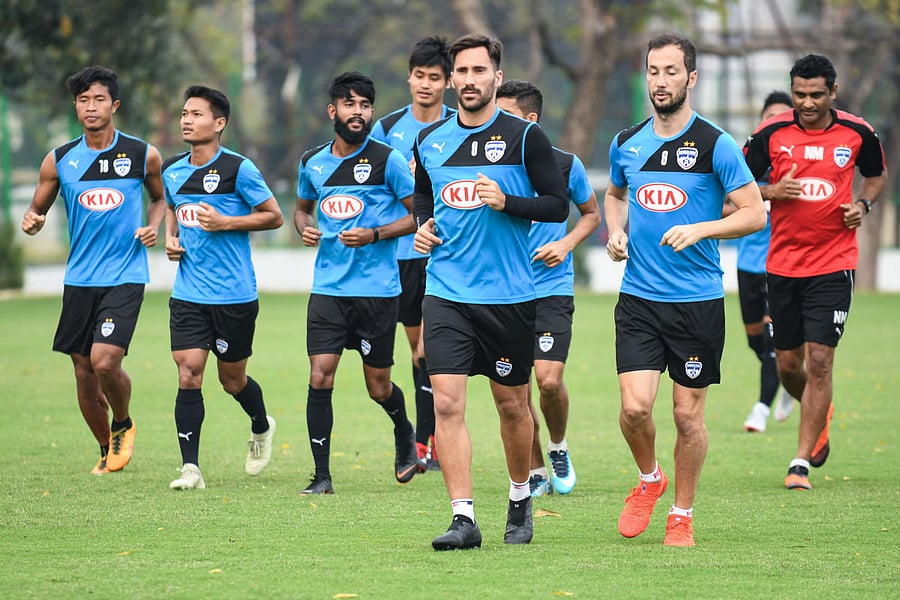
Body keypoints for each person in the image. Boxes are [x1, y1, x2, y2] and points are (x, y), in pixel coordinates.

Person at [604, 34, 766, 546]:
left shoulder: (716, 144)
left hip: (697, 302)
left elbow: (754, 213)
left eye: (671, 71)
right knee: (634, 410)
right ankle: (650, 479)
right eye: (653, 71)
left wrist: (702, 229)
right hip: (638, 299)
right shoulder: (626, 142)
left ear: (691, 78)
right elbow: (614, 194)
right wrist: (616, 231)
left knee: (686, 415)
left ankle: (682, 514)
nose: (660, 81)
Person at [413, 34, 569, 550]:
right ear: (451, 79)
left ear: (496, 77)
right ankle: (463, 519)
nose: (470, 79)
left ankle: (520, 496)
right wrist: (422, 226)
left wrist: (507, 202)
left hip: (508, 296)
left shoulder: (525, 138)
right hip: (446, 292)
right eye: (462, 71)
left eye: (480, 70)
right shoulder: (429, 140)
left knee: (511, 406)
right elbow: (423, 198)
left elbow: (556, 205)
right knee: (447, 405)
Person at [744, 54, 886, 491]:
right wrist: (771, 190)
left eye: (816, 95)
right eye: (799, 94)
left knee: (820, 361)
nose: (807, 103)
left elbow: (876, 175)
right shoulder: (771, 134)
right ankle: (818, 409)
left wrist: (862, 205)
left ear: (833, 92)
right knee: (789, 365)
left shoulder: (858, 132)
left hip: (834, 264)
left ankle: (800, 462)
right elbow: (736, 186)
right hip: (783, 266)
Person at [21, 65, 165, 476]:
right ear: (75, 106)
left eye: (99, 99)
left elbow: (159, 199)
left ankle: (123, 422)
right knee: (84, 373)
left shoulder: (142, 154)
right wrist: (33, 220)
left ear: (114, 105)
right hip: (79, 279)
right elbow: (36, 208)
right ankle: (106, 447)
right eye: (83, 100)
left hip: (125, 275)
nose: (90, 107)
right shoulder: (59, 160)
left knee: (104, 361)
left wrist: (153, 226)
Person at [294, 71, 419, 495]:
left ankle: (404, 431)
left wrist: (375, 234)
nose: (358, 112)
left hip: (377, 292)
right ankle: (322, 476)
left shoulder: (389, 160)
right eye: (350, 104)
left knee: (378, 388)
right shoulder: (312, 161)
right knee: (320, 375)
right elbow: (301, 209)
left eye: (365, 105)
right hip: (328, 290)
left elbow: (419, 214)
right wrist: (305, 228)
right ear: (333, 110)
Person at [163, 85, 283, 490]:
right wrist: (171, 238)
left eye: (196, 114)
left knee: (232, 380)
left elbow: (274, 216)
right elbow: (173, 208)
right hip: (188, 294)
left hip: (234, 296)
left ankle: (261, 425)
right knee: (188, 372)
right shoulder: (172, 170)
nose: (186, 120)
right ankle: (190, 469)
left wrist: (226, 222)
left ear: (219, 124)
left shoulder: (238, 169)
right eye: (184, 113)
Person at [495, 80, 601, 496]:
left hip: (551, 288)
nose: (497, 123)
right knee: (516, 390)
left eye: (506, 115)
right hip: (505, 290)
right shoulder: (488, 165)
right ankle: (536, 469)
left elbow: (591, 214)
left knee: (549, 381)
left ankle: (558, 446)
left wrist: (566, 243)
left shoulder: (565, 164)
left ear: (531, 119)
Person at [371, 36, 456, 472]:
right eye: (419, 76)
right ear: (408, 78)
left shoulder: (460, 126)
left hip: (443, 251)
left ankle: (429, 442)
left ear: (448, 82)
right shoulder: (387, 130)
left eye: (434, 78)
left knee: (429, 350)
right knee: (418, 351)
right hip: (400, 255)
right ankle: (426, 440)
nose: (425, 84)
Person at [733, 91, 796, 433]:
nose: (776, 122)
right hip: (748, 265)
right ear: (761, 122)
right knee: (756, 341)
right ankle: (788, 377)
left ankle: (760, 408)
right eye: (770, 116)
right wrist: (769, 194)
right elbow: (725, 204)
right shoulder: (747, 164)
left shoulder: (797, 163)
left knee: (773, 342)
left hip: (782, 265)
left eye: (783, 117)